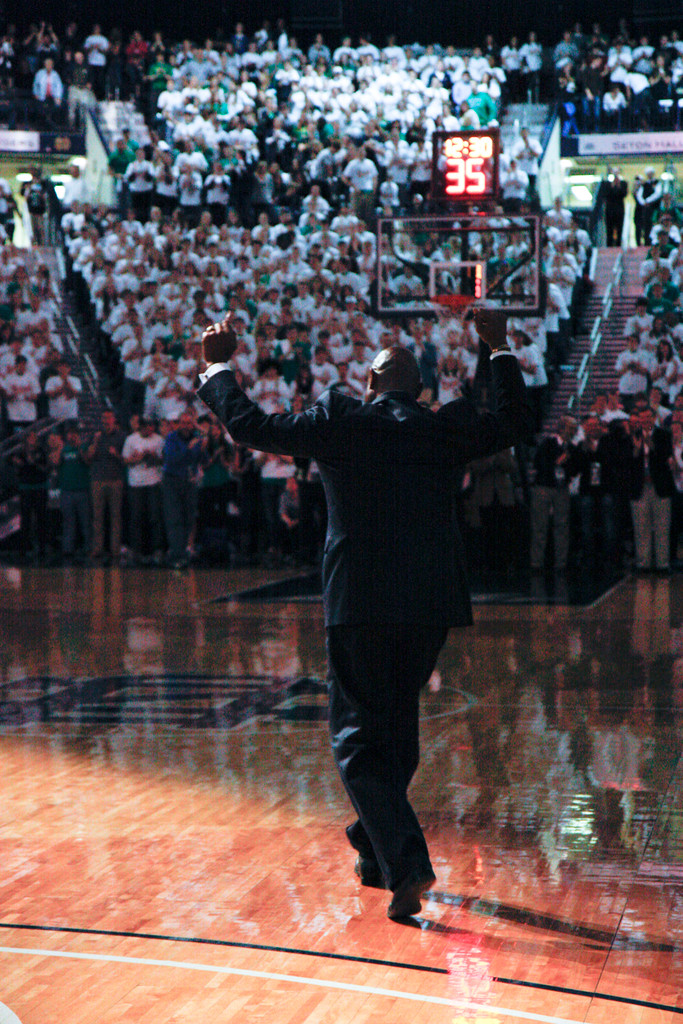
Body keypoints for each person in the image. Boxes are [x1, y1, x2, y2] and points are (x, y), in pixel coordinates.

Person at [195, 310, 532, 920]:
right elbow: (514, 421)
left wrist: (218, 367)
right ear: (421, 391)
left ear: (369, 385)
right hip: (429, 602)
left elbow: (250, 426)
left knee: (356, 738)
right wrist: (499, 346)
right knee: (396, 728)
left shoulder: (339, 421)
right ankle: (373, 851)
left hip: (359, 600)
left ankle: (406, 863)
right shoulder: (443, 426)